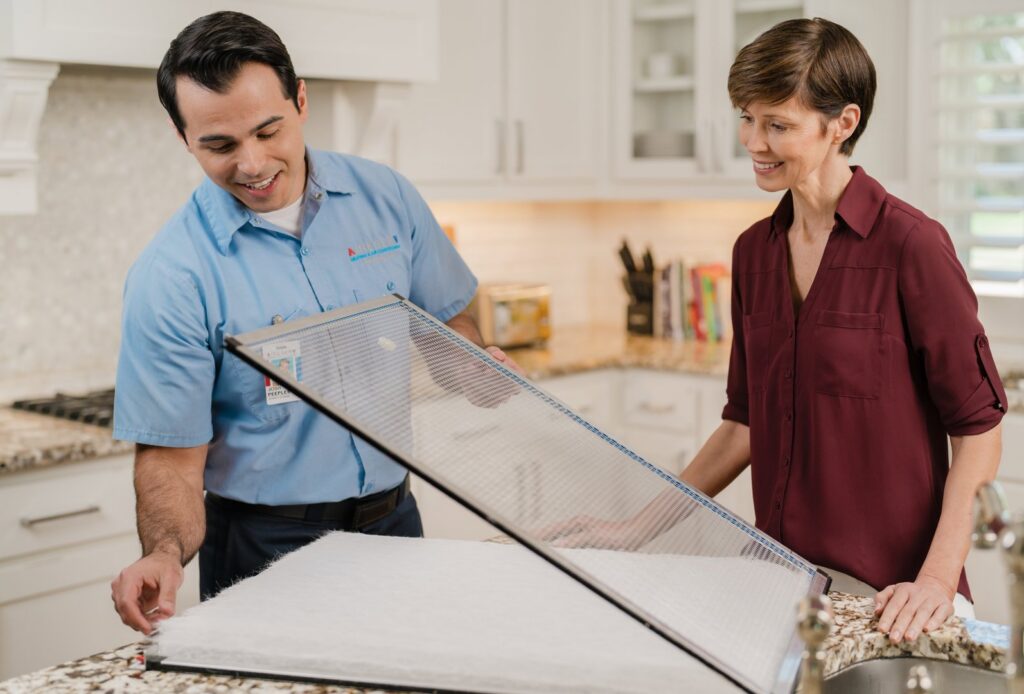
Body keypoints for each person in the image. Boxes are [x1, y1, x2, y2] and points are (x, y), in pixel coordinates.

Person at [549, 18, 1005, 644]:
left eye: (777, 125)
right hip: (785, 586)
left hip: (896, 600)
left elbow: (978, 431)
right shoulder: (753, 253)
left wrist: (936, 581)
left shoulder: (911, 245)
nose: (753, 141)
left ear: (843, 123)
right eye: (747, 118)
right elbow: (744, 422)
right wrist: (636, 528)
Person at [109, 10, 520, 634]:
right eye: (219, 145)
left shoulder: (387, 198)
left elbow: (449, 322)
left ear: (300, 101)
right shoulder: (171, 275)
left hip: (395, 523)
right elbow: (171, 459)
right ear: (182, 136)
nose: (252, 164)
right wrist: (164, 553)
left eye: (267, 130)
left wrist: (473, 368)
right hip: (265, 547)